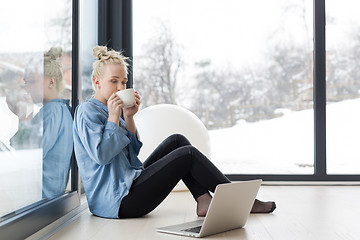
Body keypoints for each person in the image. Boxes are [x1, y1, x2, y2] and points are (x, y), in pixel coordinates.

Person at [73, 45, 276, 219]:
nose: (120, 87)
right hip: (117, 202)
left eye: (124, 82)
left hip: (129, 184)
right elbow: (101, 155)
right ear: (96, 81)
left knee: (178, 141)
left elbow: (132, 154)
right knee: (187, 155)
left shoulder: (115, 112)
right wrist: (113, 118)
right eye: (114, 81)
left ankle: (203, 199)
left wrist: (129, 117)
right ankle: (242, 202)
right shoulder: (87, 111)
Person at [18, 47, 73, 198]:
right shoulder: (60, 109)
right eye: (26, 83)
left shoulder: (51, 112)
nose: (27, 88)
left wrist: (23, 118)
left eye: (32, 81)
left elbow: (28, 155)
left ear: (51, 81)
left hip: (41, 199)